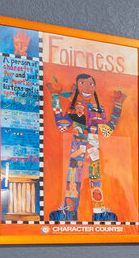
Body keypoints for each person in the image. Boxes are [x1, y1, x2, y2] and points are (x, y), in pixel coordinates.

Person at [49, 72, 127, 222]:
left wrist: (118, 104)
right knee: (74, 178)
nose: (87, 87)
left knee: (94, 178)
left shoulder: (98, 109)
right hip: (78, 145)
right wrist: (54, 96)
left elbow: (108, 128)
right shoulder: (74, 109)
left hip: (93, 145)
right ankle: (70, 213)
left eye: (90, 84)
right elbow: (61, 125)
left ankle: (98, 213)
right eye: (83, 83)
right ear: (77, 86)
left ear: (95, 87)